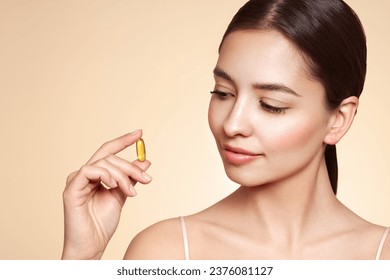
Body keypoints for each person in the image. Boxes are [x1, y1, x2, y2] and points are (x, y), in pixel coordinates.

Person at [61, 0, 389, 260]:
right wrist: (81, 259)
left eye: (271, 104)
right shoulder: (168, 253)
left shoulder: (380, 257)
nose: (231, 124)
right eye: (223, 93)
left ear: (339, 119)